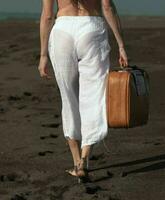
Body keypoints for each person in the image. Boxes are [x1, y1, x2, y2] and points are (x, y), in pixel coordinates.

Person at [38, 0, 128, 183]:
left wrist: (43, 55)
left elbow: (47, 16)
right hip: (92, 27)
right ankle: (84, 161)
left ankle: (76, 160)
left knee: (68, 97)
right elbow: (108, 7)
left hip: (62, 30)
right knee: (94, 95)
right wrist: (121, 45)